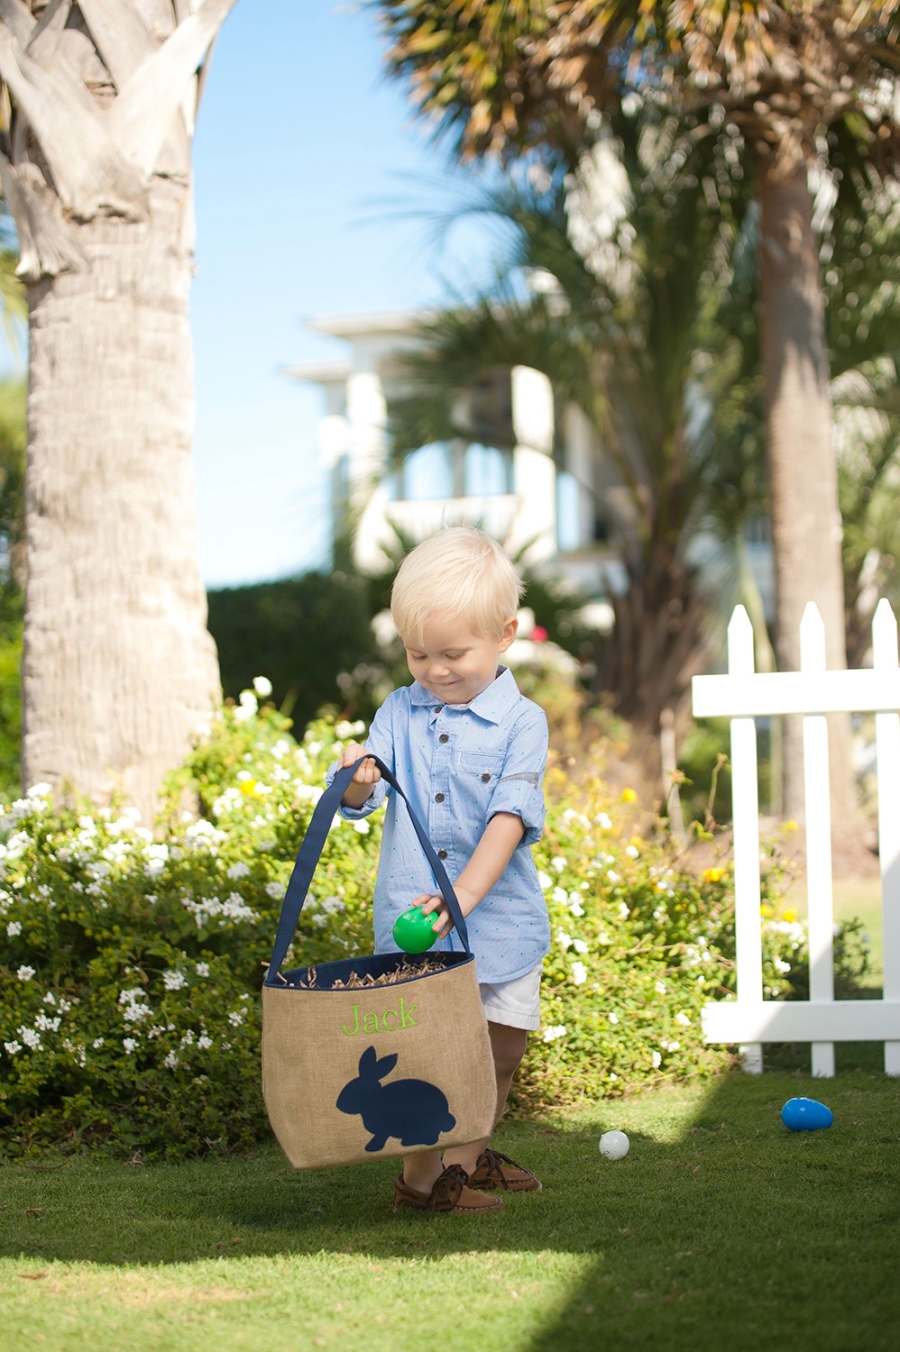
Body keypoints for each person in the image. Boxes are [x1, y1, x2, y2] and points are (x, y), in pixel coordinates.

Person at [330, 527, 550, 1214]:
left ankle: (465, 1163)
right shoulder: (399, 711)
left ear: (505, 634)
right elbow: (362, 800)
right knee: (428, 1057)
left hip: (501, 919)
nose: (435, 670)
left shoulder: (523, 723)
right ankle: (423, 1183)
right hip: (417, 919)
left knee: (498, 1054)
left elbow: (509, 817)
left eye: (453, 654)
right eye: (418, 653)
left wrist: (464, 895)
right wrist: (355, 780)